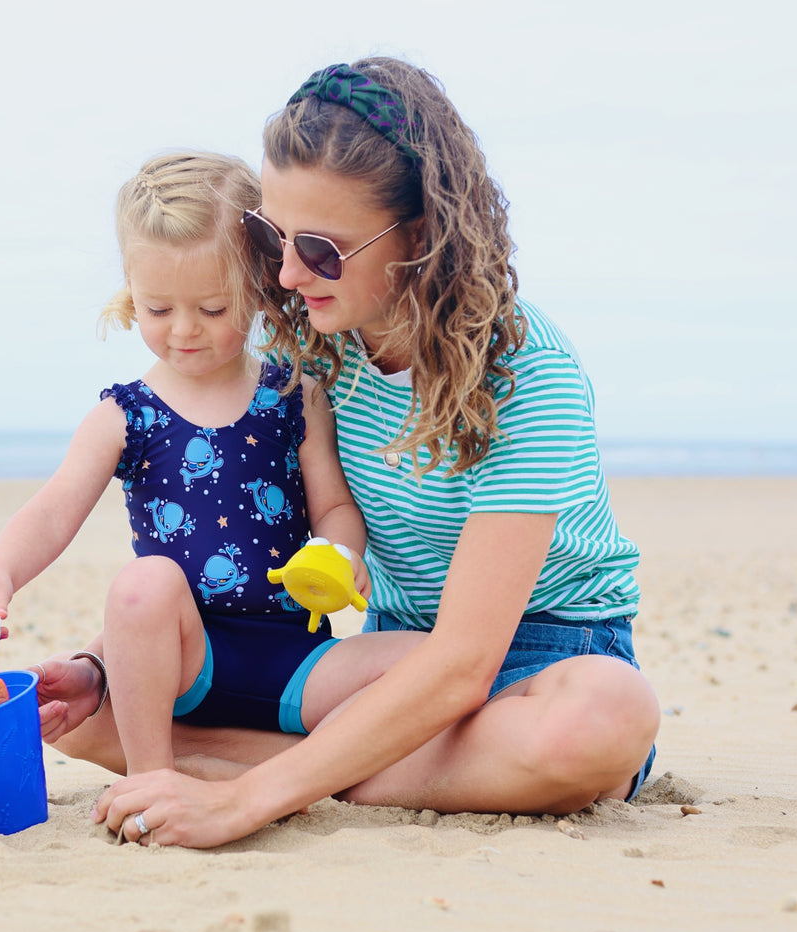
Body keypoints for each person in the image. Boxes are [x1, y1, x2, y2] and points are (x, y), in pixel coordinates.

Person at [44, 58, 661, 848]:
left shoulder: (525, 373)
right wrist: (105, 664)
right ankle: (325, 763)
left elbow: (467, 662)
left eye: (323, 250)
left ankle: (231, 766)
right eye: (273, 239)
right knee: (74, 706)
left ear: (421, 236)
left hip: (538, 660)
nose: (290, 275)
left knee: (607, 718)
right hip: (386, 665)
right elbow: (222, 543)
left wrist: (248, 802)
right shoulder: (319, 343)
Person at [0, 151, 423, 780]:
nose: (185, 330)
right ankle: (154, 779)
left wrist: (342, 554)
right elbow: (52, 510)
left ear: (263, 285)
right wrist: (0, 570)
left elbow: (336, 508)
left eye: (212, 309)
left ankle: (279, 763)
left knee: (428, 663)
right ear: (132, 292)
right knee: (141, 585)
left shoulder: (296, 393)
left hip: (299, 661)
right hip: (184, 660)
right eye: (158, 310)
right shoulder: (126, 416)